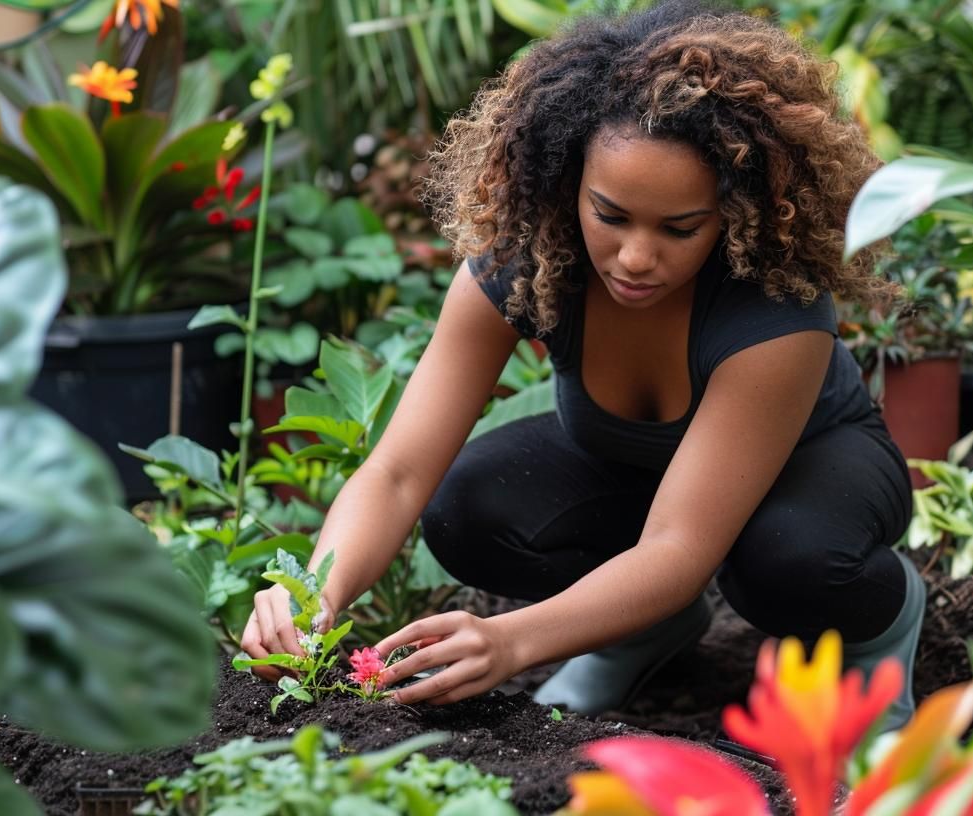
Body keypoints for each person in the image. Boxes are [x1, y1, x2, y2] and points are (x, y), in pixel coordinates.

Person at [241, 0, 924, 727]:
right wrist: (312, 590)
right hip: (637, 478)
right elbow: (399, 471)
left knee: (786, 559)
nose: (635, 258)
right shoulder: (523, 266)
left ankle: (879, 630)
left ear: (733, 210)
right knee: (470, 509)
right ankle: (642, 628)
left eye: (679, 228)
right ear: (569, 186)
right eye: (611, 214)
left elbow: (679, 546)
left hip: (813, 470)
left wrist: (509, 641)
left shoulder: (774, 314)